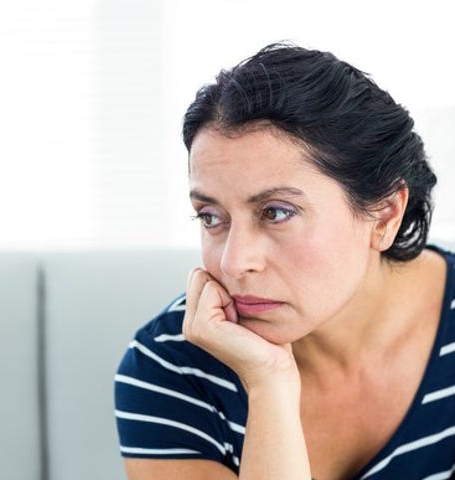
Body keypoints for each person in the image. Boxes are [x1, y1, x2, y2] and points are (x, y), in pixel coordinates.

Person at [114, 42, 455, 480]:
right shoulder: (169, 368)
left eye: (276, 212)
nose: (235, 263)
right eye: (211, 217)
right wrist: (268, 382)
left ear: (385, 214)